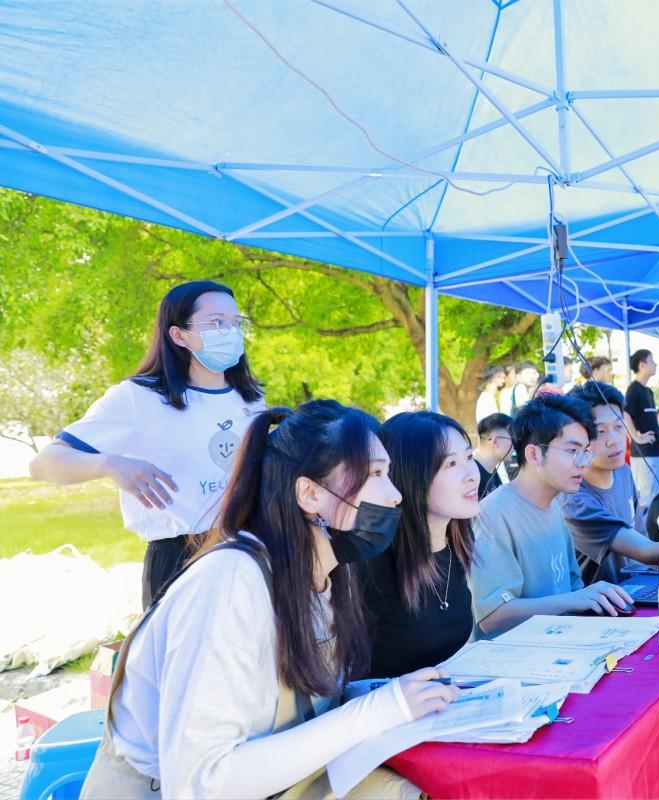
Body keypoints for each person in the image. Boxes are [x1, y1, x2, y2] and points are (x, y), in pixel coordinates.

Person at [81, 400, 454, 798]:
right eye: (375, 473)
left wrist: (388, 698)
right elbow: (201, 785)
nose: (395, 495)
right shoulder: (229, 585)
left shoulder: (326, 577)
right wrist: (379, 711)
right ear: (309, 493)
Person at [30, 281, 267, 608]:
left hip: (250, 553)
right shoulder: (138, 397)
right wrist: (108, 464)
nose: (230, 332)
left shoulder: (251, 398)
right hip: (179, 562)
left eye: (236, 322)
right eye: (216, 322)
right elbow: (43, 464)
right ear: (179, 335)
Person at [469, 393, 634, 636]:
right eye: (572, 451)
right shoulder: (493, 515)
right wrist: (574, 600)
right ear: (534, 454)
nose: (583, 462)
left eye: (585, 451)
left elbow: (573, 587)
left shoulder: (554, 506)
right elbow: (493, 617)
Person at [365, 411, 477, 680]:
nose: (471, 475)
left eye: (470, 457)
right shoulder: (370, 563)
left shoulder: (456, 546)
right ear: (412, 476)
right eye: (451, 464)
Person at [561, 382, 659, 584]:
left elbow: (642, 537)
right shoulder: (574, 499)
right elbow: (646, 551)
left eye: (619, 426)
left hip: (636, 589)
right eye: (600, 431)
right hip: (602, 602)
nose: (614, 440)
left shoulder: (623, 472)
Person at [624, 349, 659, 505]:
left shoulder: (648, 391)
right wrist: (637, 438)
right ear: (642, 365)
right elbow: (625, 414)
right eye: (652, 360)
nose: (656, 364)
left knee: (658, 498)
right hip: (645, 455)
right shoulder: (633, 389)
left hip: (657, 453)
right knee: (648, 500)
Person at [475, 412, 513, 500]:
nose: (516, 444)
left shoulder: (492, 470)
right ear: (495, 442)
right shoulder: (473, 475)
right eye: (513, 439)